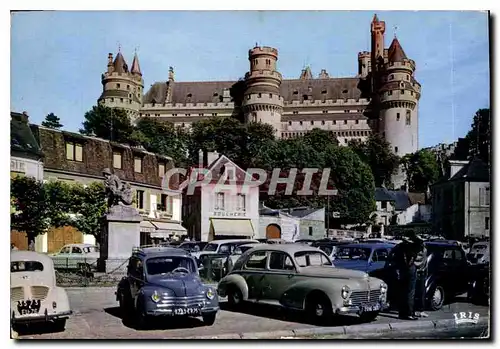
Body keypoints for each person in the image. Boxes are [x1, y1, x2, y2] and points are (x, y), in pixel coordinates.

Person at [393, 235, 418, 320]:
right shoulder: (410, 247)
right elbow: (413, 256)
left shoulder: (399, 247)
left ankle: (402, 313)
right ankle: (409, 313)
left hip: (401, 269)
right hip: (409, 269)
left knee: (402, 292)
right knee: (410, 292)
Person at [412, 235, 429, 318]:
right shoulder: (421, 250)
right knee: (419, 293)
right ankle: (419, 310)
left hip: (419, 273)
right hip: (419, 273)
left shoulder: (420, 250)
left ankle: (418, 310)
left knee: (418, 293)